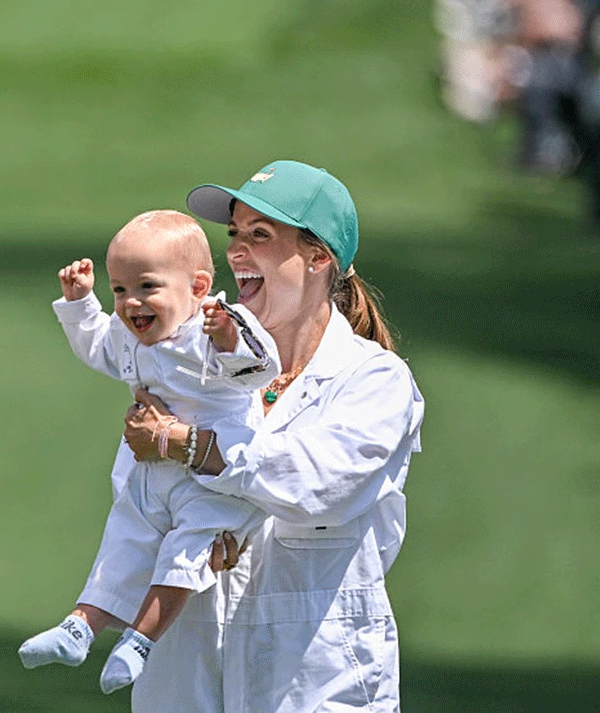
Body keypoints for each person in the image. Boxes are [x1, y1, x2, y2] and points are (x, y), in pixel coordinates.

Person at [121, 161, 424, 712]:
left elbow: (315, 486)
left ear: (318, 257)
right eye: (234, 234)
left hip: (315, 684)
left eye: (261, 236)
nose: (236, 252)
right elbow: (140, 496)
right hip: (186, 673)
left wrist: (189, 445)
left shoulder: (374, 380)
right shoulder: (185, 358)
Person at [17, 211, 279, 693]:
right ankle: (81, 625)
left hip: (214, 475)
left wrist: (227, 337)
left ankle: (140, 639)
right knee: (125, 538)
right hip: (151, 471)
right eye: (119, 290)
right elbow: (99, 348)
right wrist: (81, 305)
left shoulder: (213, 325)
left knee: (186, 550)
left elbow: (261, 369)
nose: (131, 303)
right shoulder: (131, 335)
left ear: (199, 287)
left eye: (147, 287)